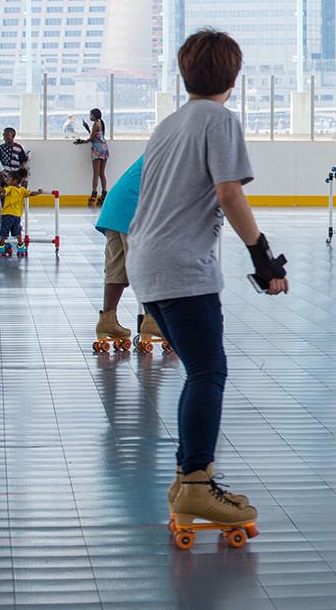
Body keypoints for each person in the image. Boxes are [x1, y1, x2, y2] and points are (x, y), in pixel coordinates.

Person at [126, 29, 288, 548]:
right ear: (234, 78)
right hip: (181, 267)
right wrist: (263, 256)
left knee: (200, 370)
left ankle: (186, 479)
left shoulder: (168, 125)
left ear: (185, 72)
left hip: (146, 264)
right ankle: (196, 481)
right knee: (208, 371)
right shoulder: (220, 121)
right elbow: (228, 193)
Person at [93, 155, 144, 352]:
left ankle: (108, 320)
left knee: (117, 267)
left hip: (115, 205)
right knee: (146, 266)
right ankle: (153, 322)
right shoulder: (182, 151)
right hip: (134, 207)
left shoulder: (165, 143)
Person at [0, 169, 45, 258]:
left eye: (8, 179)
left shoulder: (10, 188)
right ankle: (21, 246)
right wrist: (39, 192)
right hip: (17, 215)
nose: (6, 181)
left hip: (8, 214)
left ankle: (1, 245)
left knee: (4, 231)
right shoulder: (22, 190)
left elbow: (3, 191)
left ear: (14, 181)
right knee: (17, 231)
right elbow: (31, 193)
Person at [74, 108, 110, 206]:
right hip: (104, 148)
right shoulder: (100, 123)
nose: (90, 117)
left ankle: (93, 195)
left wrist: (80, 141)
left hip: (97, 150)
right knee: (102, 174)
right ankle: (104, 194)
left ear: (94, 115)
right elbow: (97, 135)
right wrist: (87, 128)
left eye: (91, 115)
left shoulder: (95, 124)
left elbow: (91, 139)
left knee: (96, 174)